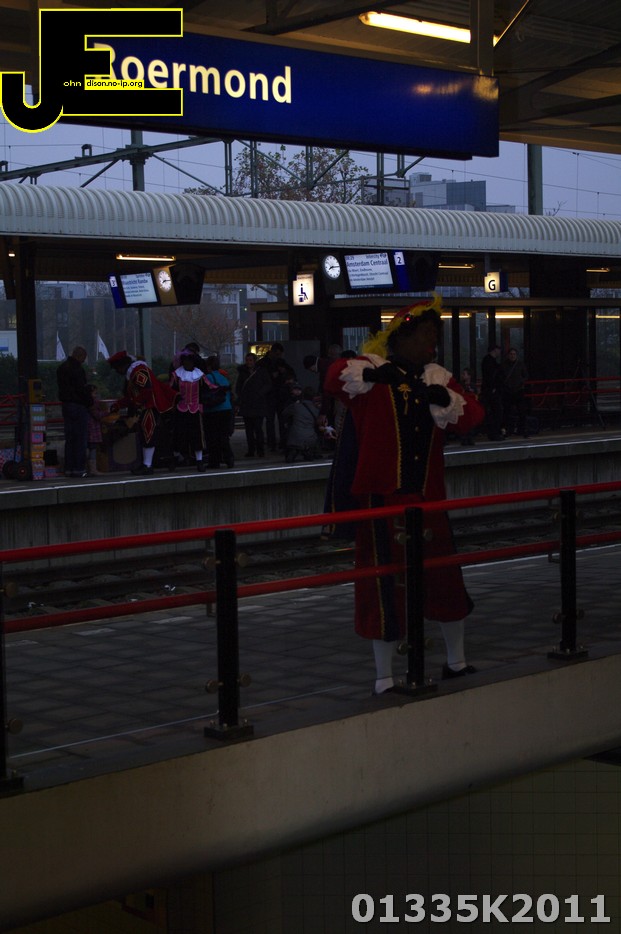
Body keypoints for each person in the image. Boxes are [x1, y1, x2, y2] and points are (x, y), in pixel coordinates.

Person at [323, 295, 484, 695]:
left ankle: (457, 661)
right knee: (383, 590)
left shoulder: (437, 378)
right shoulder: (372, 373)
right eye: (425, 335)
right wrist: (373, 372)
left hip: (428, 498)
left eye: (434, 336)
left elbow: (472, 417)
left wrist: (445, 399)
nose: (431, 343)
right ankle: (385, 678)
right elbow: (333, 377)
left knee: (445, 579)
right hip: (381, 500)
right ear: (400, 337)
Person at [107, 351, 178, 475]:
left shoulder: (138, 371)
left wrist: (137, 403)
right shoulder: (134, 372)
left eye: (117, 368)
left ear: (122, 365)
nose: (118, 371)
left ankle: (147, 465)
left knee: (148, 434)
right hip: (145, 407)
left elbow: (146, 391)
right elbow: (132, 396)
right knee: (145, 435)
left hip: (149, 407)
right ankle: (146, 463)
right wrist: (118, 404)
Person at [169, 348, 210, 471]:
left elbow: (207, 390)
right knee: (179, 435)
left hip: (195, 410)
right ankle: (175, 459)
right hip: (181, 409)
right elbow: (170, 391)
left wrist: (202, 404)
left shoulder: (200, 375)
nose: (188, 363)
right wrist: (175, 399)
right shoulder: (176, 375)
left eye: (190, 360)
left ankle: (199, 461)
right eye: (185, 360)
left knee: (197, 435)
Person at [56, 345, 92, 478]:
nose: (83, 361)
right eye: (83, 358)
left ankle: (69, 468)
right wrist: (89, 401)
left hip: (66, 405)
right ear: (80, 356)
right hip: (79, 405)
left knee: (70, 438)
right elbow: (81, 389)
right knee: (80, 438)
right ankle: (79, 468)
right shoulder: (78, 369)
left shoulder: (61, 368)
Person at [257, 342, 296, 452]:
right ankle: (279, 443)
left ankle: (273, 443)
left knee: (272, 420)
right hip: (277, 395)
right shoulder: (278, 363)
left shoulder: (263, 363)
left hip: (273, 395)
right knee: (279, 420)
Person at [236, 351, 272, 458]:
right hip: (247, 404)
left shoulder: (261, 372)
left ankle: (260, 450)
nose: (249, 362)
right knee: (249, 430)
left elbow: (268, 384)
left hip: (257, 403)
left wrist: (260, 393)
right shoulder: (243, 373)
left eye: (250, 360)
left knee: (258, 428)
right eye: (247, 360)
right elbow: (238, 387)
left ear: (254, 361)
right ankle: (251, 450)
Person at [203, 355, 235, 469]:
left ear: (208, 366)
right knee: (223, 436)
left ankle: (214, 461)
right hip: (226, 409)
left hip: (213, 410)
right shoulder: (223, 377)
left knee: (212, 437)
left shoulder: (207, 378)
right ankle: (229, 458)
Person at [282, 385, 322, 462]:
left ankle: (294, 452)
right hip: (310, 437)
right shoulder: (316, 409)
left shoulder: (296, 406)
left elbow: (284, 413)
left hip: (295, 437)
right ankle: (310, 451)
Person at [501, 346, 530, 437]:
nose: (512, 356)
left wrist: (521, 381)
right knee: (507, 411)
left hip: (518, 390)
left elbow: (526, 375)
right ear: (508, 355)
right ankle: (508, 430)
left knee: (521, 411)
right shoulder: (504, 365)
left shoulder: (520, 364)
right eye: (511, 354)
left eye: (514, 354)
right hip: (508, 391)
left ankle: (521, 429)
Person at [480, 344, 505, 441]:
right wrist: (493, 387)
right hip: (492, 390)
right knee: (496, 411)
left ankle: (493, 432)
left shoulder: (487, 361)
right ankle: (494, 433)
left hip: (490, 390)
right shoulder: (490, 362)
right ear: (495, 350)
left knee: (493, 412)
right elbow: (491, 376)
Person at [86, 384, 108, 476]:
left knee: (88, 448)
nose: (96, 395)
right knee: (93, 449)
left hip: (87, 428)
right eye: (95, 393)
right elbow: (97, 415)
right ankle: (93, 469)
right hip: (93, 429)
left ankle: (88, 468)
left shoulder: (85, 403)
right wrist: (107, 412)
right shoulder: (93, 403)